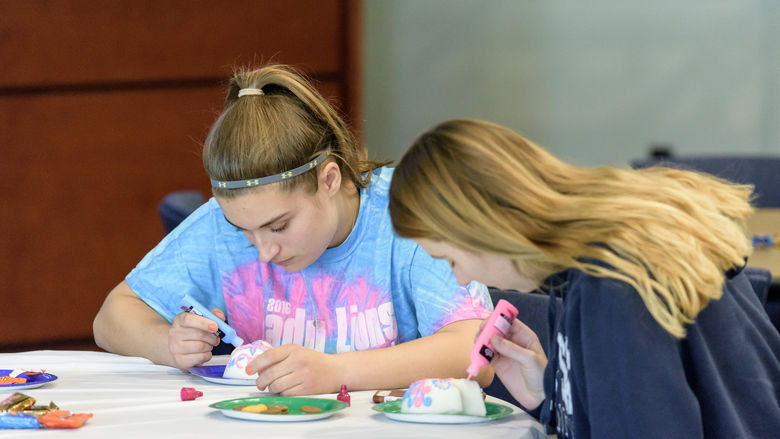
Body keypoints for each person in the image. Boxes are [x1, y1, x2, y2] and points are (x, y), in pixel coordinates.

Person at [92, 65, 494, 396]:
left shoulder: (409, 214)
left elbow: (478, 352)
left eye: (279, 225)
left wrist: (335, 371)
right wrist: (168, 344)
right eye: (243, 230)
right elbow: (111, 319)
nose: (263, 251)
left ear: (329, 179)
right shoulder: (223, 223)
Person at [387, 118, 780, 438]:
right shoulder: (598, 256)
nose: (460, 279)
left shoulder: (613, 284)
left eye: (451, 260)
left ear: (481, 229)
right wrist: (551, 391)